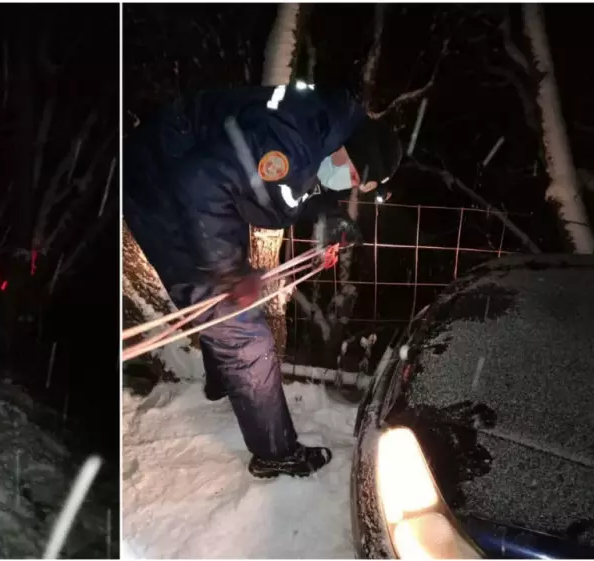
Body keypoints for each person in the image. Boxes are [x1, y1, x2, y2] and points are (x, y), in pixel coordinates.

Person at [123, 84, 402, 478]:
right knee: (242, 330)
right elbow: (199, 184)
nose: (348, 183)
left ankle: (224, 382)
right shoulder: (293, 144)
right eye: (354, 174)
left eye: (355, 184)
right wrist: (229, 274)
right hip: (163, 189)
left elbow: (287, 185)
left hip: (189, 178)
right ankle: (275, 454)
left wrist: (329, 217)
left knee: (229, 304)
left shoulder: (322, 127)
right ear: (351, 149)